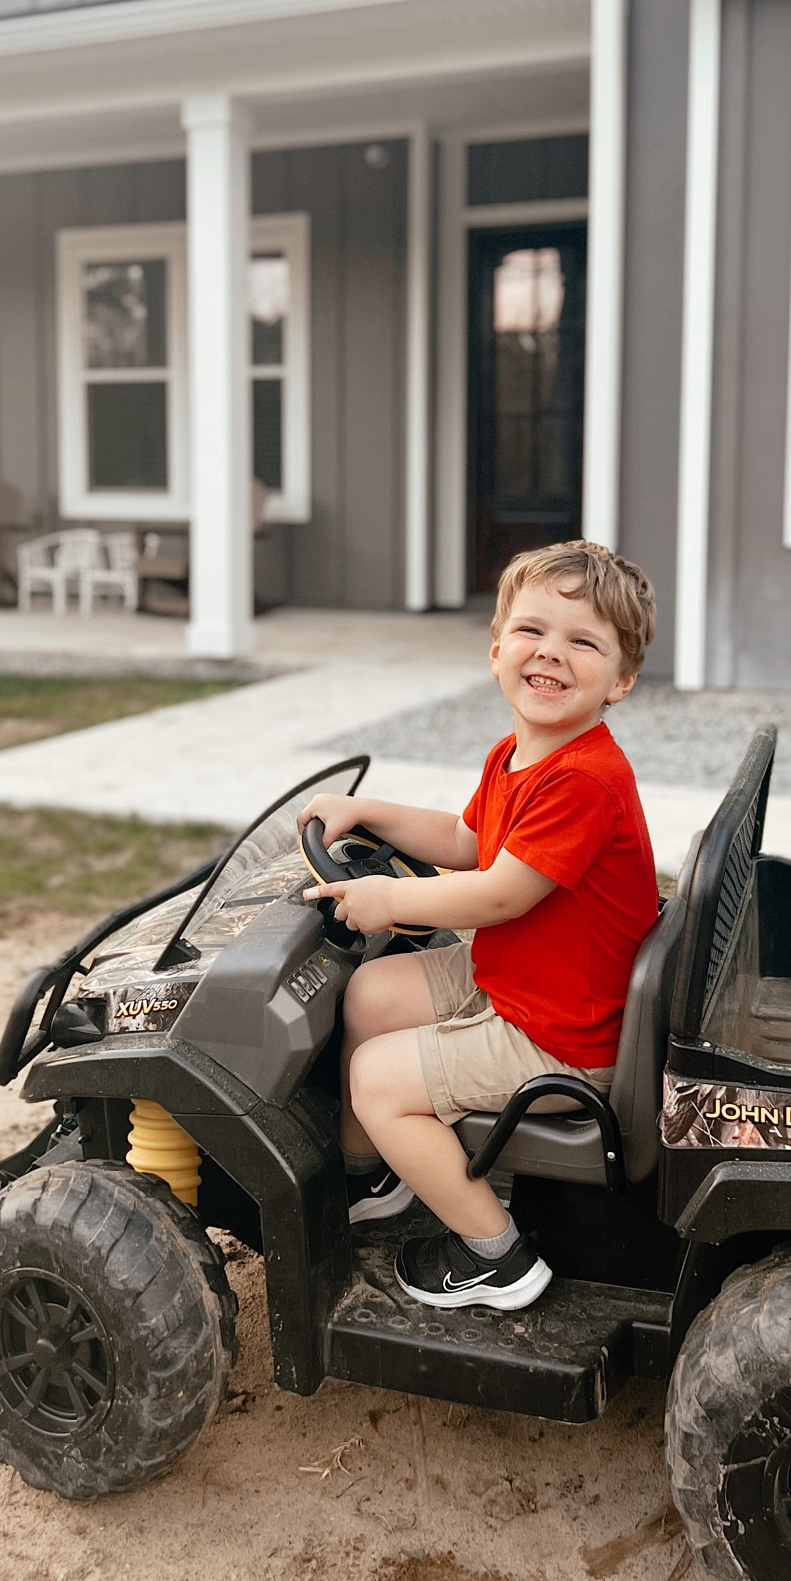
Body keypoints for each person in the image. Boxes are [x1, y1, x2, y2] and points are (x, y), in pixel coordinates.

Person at [299, 540, 658, 1312]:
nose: (551, 654)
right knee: (372, 992)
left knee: (376, 1080)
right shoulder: (517, 756)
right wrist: (365, 810)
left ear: (621, 681)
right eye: (532, 632)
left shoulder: (587, 781)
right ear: (497, 650)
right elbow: (468, 842)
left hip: (565, 1037)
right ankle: (380, 1175)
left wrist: (390, 903)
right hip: (526, 979)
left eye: (583, 642)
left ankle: (495, 1253)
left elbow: (499, 895)